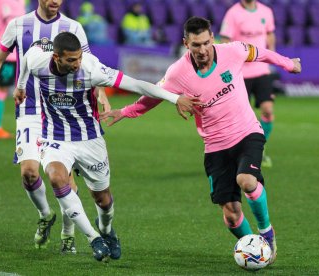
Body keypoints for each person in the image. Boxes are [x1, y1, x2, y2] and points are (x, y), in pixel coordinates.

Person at [101, 17, 302, 265]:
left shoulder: (233, 51)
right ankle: (256, 248)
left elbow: (260, 53)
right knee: (231, 214)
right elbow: (154, 96)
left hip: (247, 132)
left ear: (213, 38)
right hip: (215, 146)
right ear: (186, 44)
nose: (203, 50)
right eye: (196, 45)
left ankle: (267, 234)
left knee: (247, 180)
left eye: (207, 42)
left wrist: (288, 64)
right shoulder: (177, 73)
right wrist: (124, 112)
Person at [13, 32, 201, 261]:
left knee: (102, 199)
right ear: (56, 58)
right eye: (71, 60)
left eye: (79, 58)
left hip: (90, 140)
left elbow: (138, 85)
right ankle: (94, 238)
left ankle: (106, 229)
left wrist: (175, 98)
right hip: (55, 137)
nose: (77, 64)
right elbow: (25, 62)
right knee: (55, 177)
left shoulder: (91, 68)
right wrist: (21, 86)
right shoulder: (38, 61)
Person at [0, 0, 111, 255]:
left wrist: (101, 95)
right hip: (29, 110)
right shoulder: (18, 25)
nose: (55, 1)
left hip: (61, 111)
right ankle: (45, 215)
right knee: (29, 173)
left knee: (64, 176)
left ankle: (68, 234)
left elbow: (89, 65)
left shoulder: (73, 27)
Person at [219, 0, 277, 167]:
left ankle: (259, 149)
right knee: (239, 118)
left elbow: (270, 33)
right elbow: (224, 40)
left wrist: (271, 54)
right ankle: (234, 153)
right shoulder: (232, 13)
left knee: (267, 110)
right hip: (240, 73)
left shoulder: (266, 11)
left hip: (262, 70)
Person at [0, 0, 25, 139]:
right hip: (7, 53)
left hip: (20, 52)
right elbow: (13, 22)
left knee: (25, 90)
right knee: (2, 89)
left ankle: (25, 128)